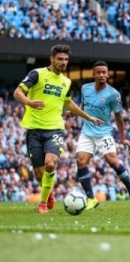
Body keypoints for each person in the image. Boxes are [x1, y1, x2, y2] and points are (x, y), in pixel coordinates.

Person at [13, 44, 103, 214]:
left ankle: (42, 202)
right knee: (39, 174)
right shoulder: (37, 74)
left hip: (55, 128)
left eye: (66, 60)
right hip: (34, 129)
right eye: (60, 59)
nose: (63, 62)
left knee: (50, 164)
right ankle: (49, 192)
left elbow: (68, 103)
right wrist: (29, 102)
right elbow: (17, 93)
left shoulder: (66, 82)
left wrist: (88, 117)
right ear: (52, 59)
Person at [75, 60, 130, 209]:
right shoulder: (85, 88)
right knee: (80, 161)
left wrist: (123, 138)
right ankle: (91, 199)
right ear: (93, 74)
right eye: (98, 72)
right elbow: (83, 105)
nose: (101, 75)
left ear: (108, 74)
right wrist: (74, 113)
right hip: (87, 132)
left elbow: (118, 117)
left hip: (104, 133)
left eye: (104, 72)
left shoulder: (113, 95)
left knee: (113, 162)